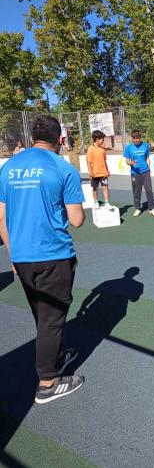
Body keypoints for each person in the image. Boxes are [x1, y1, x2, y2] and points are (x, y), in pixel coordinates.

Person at [0, 115, 85, 404]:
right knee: (51, 320)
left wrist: (12, 254)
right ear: (59, 138)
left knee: (42, 315)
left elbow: (1, 219)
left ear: (31, 135)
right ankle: (47, 382)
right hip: (53, 255)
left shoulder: (9, 168)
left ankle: (57, 355)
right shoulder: (63, 169)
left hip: (21, 256)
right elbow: (76, 220)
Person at [124, 129, 154, 216]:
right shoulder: (128, 147)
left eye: (137, 138)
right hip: (135, 173)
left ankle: (151, 208)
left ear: (140, 137)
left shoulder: (145, 145)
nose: (136, 140)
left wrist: (149, 169)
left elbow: (147, 158)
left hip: (145, 172)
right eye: (134, 138)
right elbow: (127, 161)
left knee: (149, 190)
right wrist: (131, 163)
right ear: (132, 138)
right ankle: (137, 208)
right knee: (136, 191)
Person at [86, 130, 113, 210]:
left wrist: (107, 170)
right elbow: (88, 161)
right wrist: (90, 172)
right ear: (97, 139)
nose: (103, 141)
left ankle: (107, 202)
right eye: (102, 139)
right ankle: (96, 202)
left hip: (103, 173)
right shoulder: (90, 149)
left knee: (105, 187)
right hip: (94, 174)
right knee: (95, 188)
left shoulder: (102, 149)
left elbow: (104, 161)